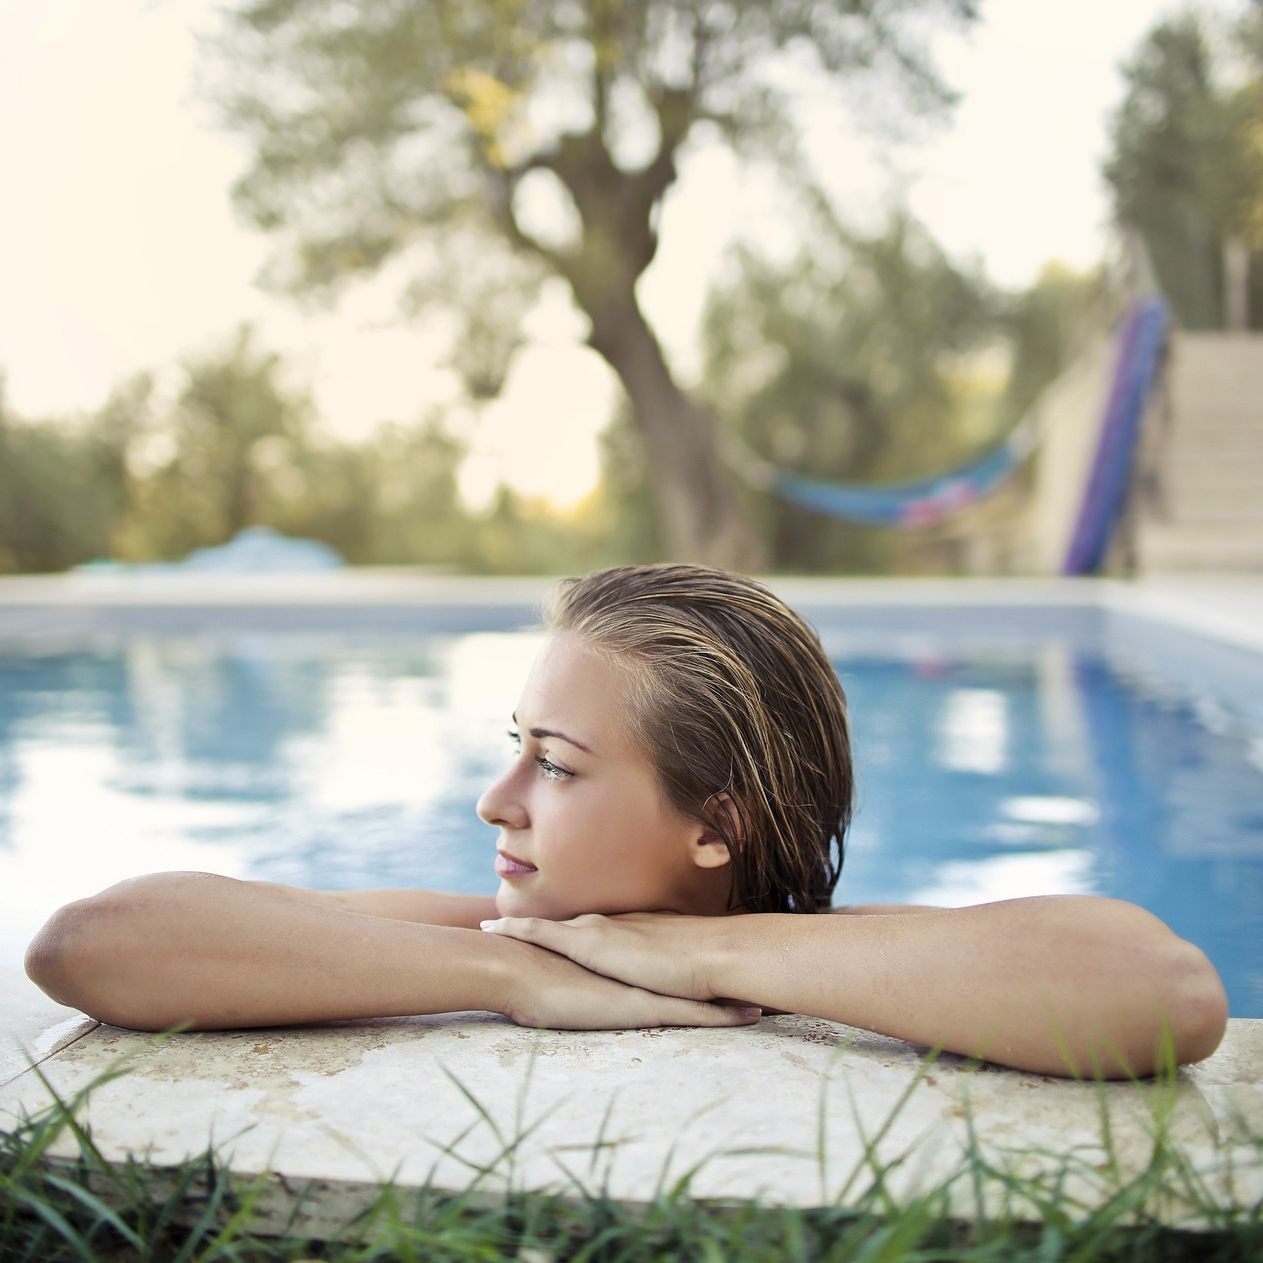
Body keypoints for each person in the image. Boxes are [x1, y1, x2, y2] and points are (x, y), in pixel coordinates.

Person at [25, 563, 1228, 1079]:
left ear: (715, 827)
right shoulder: (497, 942)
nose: (497, 801)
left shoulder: (864, 956)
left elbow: (1166, 993)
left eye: (554, 764)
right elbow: (90, 944)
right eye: (517, 749)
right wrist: (510, 982)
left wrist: (703, 951)